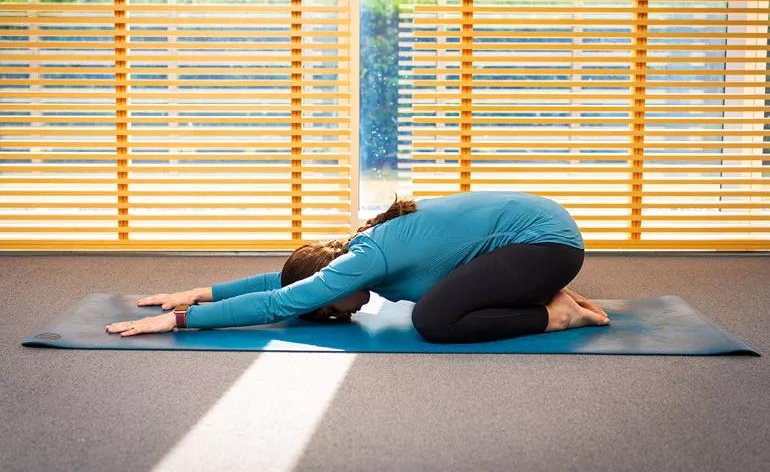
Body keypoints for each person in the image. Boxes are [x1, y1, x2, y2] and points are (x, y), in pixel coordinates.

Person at [106, 191, 610, 343]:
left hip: (547, 244)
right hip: (539, 241)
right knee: (444, 302)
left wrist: (176, 320)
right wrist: (199, 291)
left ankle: (558, 314)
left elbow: (283, 299)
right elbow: (283, 284)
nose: (337, 315)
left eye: (327, 311)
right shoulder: (354, 253)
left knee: (434, 319)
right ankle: (545, 299)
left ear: (329, 284)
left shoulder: (364, 259)